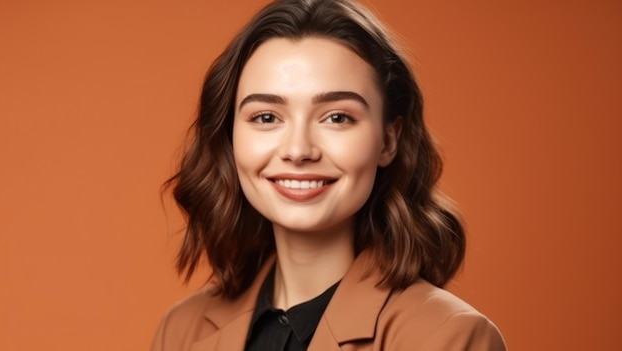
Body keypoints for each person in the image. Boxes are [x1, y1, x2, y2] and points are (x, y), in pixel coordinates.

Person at [151, 0, 506, 350]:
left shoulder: (448, 338)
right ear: (230, 137)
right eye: (266, 117)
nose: (298, 150)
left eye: (337, 117)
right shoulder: (183, 332)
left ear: (388, 140)